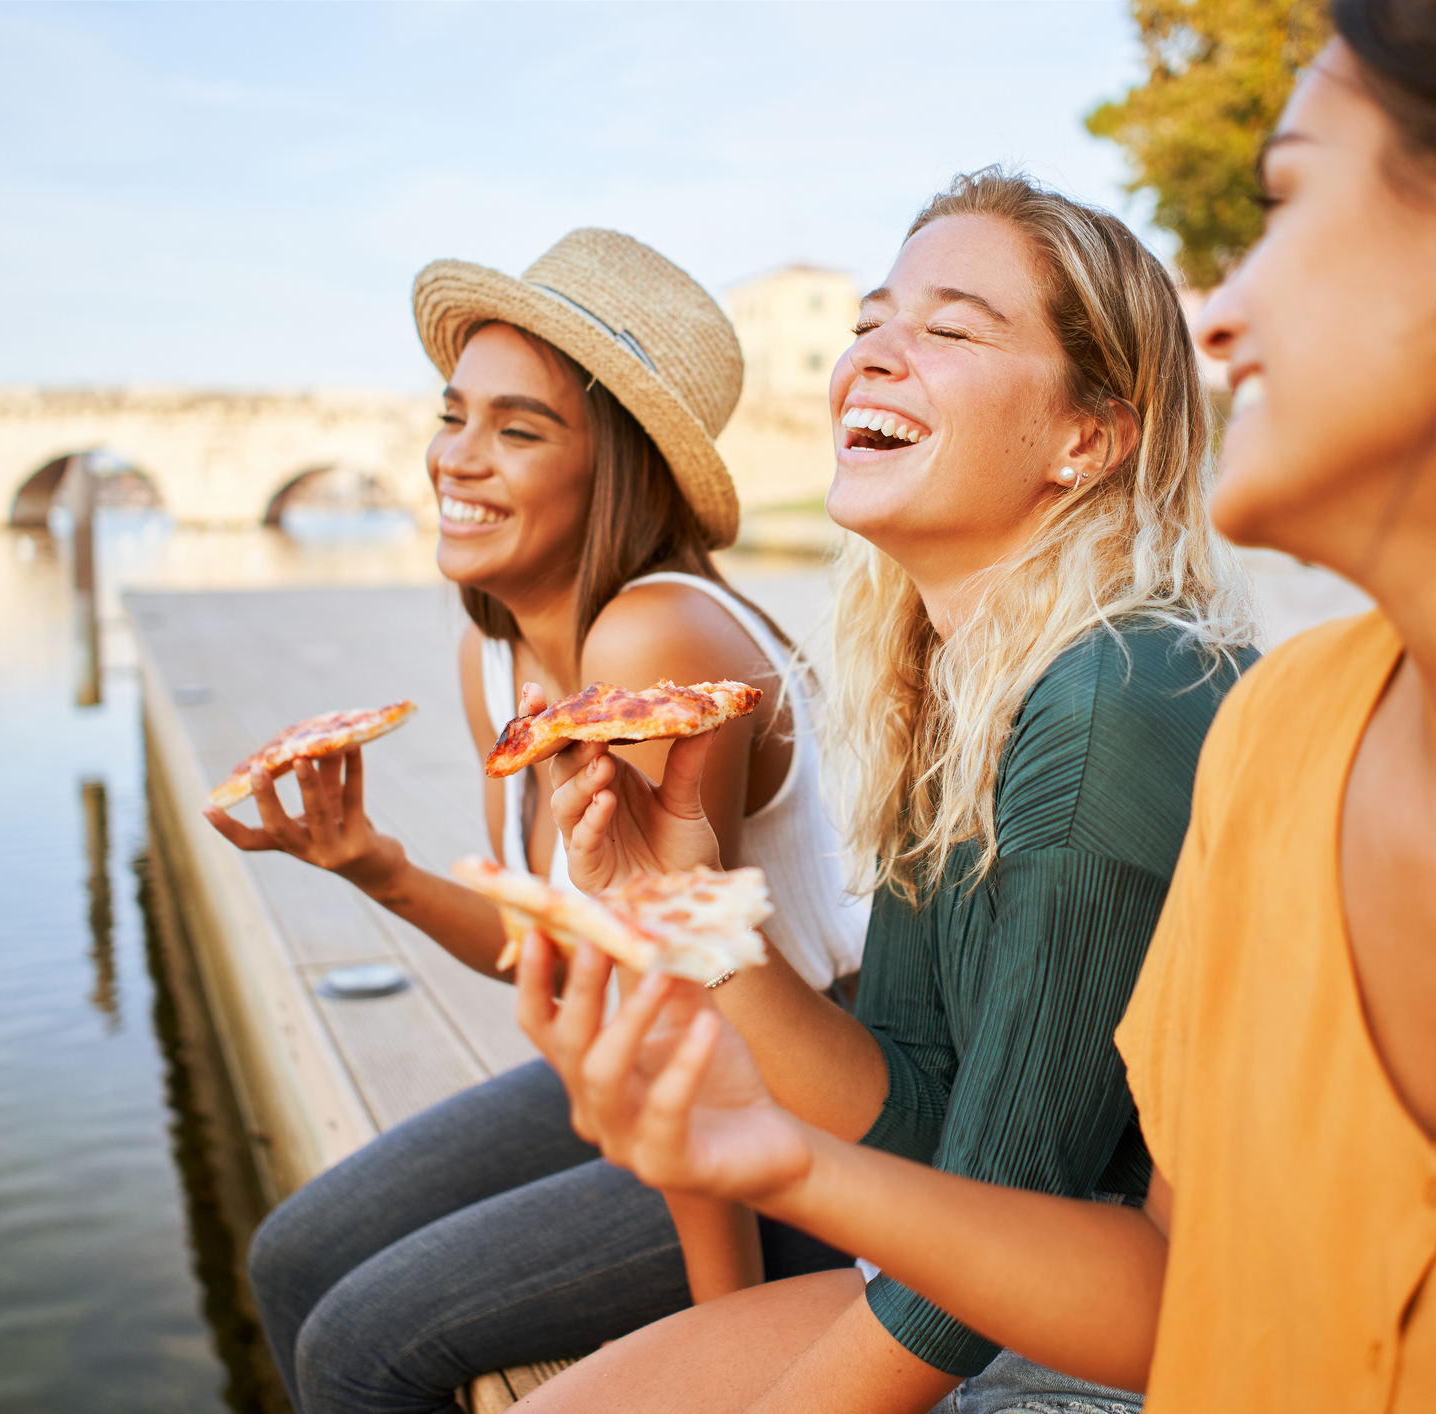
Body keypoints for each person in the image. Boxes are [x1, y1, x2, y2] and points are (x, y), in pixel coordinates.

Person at [540, 2, 1436, 1410]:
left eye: (1284, 201)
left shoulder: (1144, 698)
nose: (1217, 313)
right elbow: (1173, 1288)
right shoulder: (1283, 741)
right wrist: (777, 1140)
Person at [517, 168, 1259, 1413]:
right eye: (869, 320)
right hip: (1000, 1291)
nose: (873, 354)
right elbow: (918, 1114)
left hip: (1171, 1354)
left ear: (1091, 435)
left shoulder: (1109, 705)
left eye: (951, 328)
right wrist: (695, 911)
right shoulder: (960, 680)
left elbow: (998, 1238)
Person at [203, 228, 866, 1414]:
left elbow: (692, 1018)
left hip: (797, 1114)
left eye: (517, 429)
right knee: (292, 1256)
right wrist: (373, 865)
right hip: (647, 1062)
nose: (457, 459)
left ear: (615, 469)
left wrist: (724, 1343)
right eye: (453, 415)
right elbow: (558, 942)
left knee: (362, 1346)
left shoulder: (658, 644)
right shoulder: (493, 655)